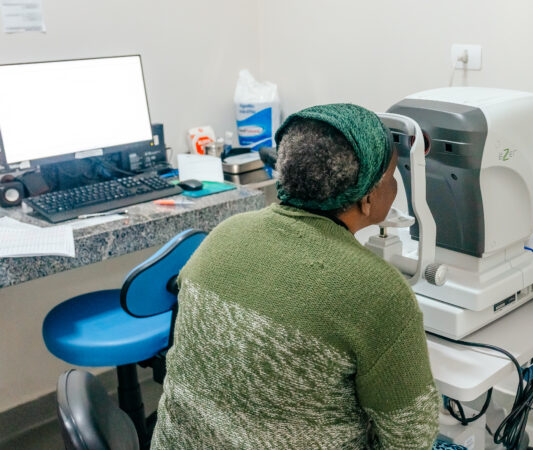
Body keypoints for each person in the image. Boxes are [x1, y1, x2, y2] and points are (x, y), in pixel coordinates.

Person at [151, 104, 442, 449]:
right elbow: (412, 437)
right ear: (368, 197)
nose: (395, 186)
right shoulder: (378, 291)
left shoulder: (224, 234)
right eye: (392, 177)